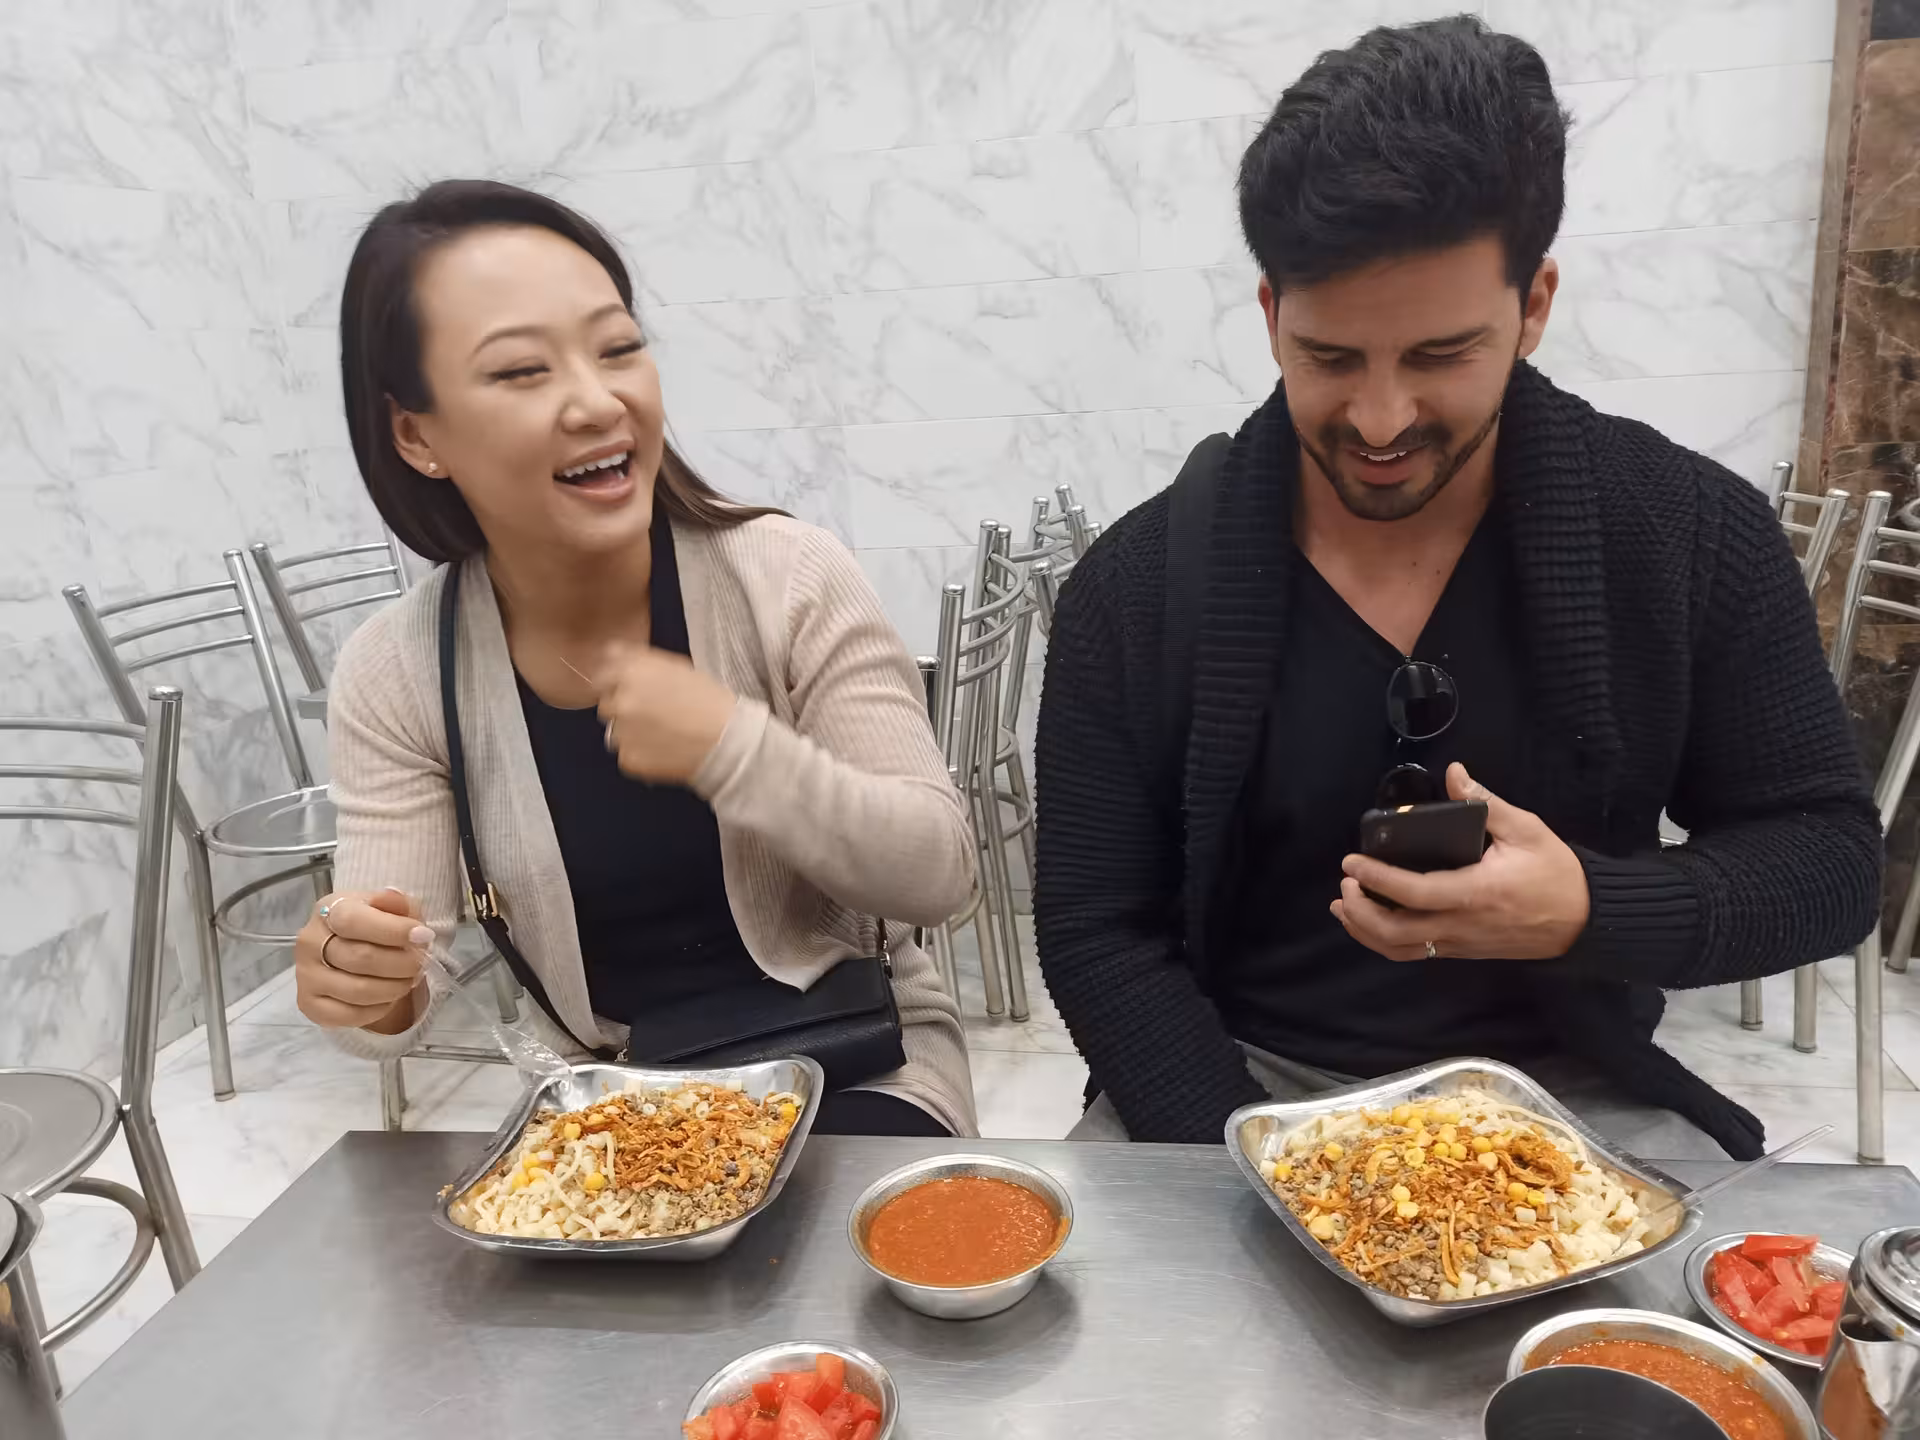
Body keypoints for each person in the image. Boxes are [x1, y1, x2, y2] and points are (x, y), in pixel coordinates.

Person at [1033, 17, 1880, 1160]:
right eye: (1331, 358)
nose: (1380, 421)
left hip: (1570, 1096)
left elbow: (1829, 858)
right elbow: (1095, 931)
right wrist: (1248, 1160)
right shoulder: (1132, 592)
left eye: (1441, 355)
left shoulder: (1684, 533)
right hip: (1238, 1093)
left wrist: (1586, 908)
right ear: (1273, 314)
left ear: (1534, 304)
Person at [293, 180, 977, 1138]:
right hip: (620, 1106)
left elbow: (939, 873)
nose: (595, 400)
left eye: (618, 349)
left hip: (861, 1071)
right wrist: (365, 981)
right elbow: (400, 976)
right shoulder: (397, 670)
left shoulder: (789, 577)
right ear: (417, 433)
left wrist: (737, 752)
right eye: (522, 372)